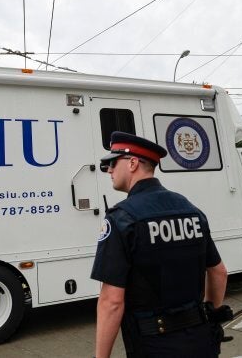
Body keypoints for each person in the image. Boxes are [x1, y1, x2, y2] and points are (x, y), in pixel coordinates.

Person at [91, 131, 229, 358]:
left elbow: (112, 302)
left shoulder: (122, 218)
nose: (109, 170)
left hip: (154, 345)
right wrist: (210, 317)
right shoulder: (191, 209)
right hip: (202, 340)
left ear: (133, 163)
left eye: (113, 163)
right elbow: (219, 272)